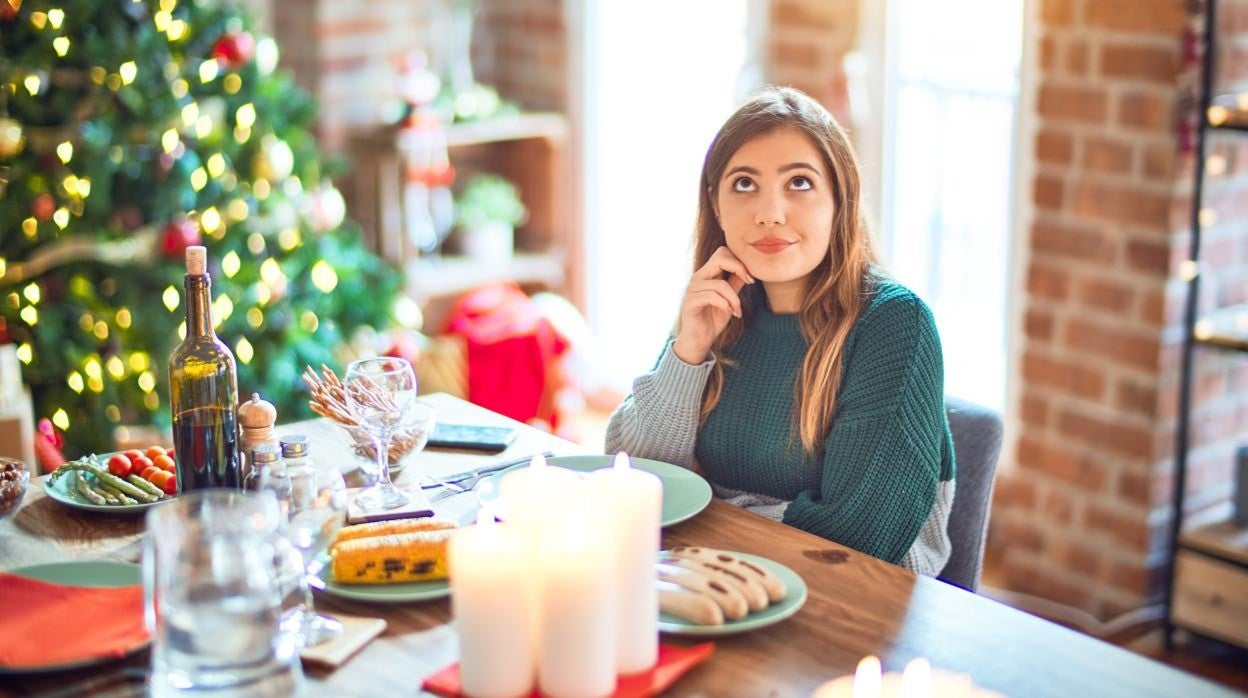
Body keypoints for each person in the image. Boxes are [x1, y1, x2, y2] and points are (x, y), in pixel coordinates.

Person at [605, 86, 955, 576]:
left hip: (859, 602)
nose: (770, 212)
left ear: (841, 200)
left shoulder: (895, 323)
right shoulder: (723, 302)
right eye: (744, 184)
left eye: (800, 183)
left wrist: (711, 507)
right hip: (714, 578)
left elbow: (860, 537)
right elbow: (633, 475)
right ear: (717, 204)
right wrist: (688, 353)